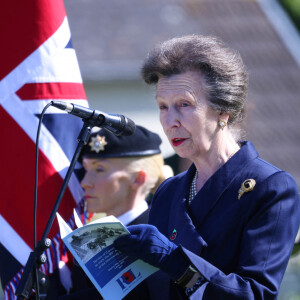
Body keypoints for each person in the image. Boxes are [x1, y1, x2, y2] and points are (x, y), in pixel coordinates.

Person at [113, 34, 300, 299]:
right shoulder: (169, 191)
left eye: (184, 105)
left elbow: (255, 294)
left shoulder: (270, 188)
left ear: (223, 110)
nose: (170, 121)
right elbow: (145, 292)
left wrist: (175, 260)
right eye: (163, 107)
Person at [59, 125, 173, 299]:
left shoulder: (162, 233)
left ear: (138, 179)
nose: (85, 182)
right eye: (87, 169)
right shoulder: (90, 237)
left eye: (99, 169)